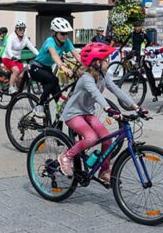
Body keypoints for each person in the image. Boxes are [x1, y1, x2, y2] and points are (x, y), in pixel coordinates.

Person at [57, 42, 140, 184]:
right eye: (106, 59)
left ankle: (104, 170)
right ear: (96, 62)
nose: (108, 62)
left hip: (88, 113)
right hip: (74, 114)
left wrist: (135, 106)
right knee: (91, 138)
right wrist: (108, 108)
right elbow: (96, 95)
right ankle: (66, 156)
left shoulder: (103, 75)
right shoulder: (86, 78)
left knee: (107, 138)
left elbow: (117, 90)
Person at [29, 17, 81, 116]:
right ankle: (39, 106)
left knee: (60, 104)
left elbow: (76, 55)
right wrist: (62, 66)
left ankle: (56, 128)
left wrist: (87, 65)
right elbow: (54, 55)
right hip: (36, 68)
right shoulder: (50, 41)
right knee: (52, 79)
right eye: (62, 33)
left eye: (66, 33)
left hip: (47, 69)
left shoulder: (66, 42)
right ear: (54, 33)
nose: (65, 36)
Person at [1, 20, 38, 93]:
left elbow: (31, 47)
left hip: (17, 59)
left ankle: (18, 90)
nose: (22, 31)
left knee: (22, 74)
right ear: (16, 29)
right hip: (7, 58)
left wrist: (39, 55)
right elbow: (8, 49)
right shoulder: (11, 37)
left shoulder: (25, 38)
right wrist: (12, 56)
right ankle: (11, 88)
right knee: (16, 70)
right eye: (20, 29)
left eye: (23, 29)